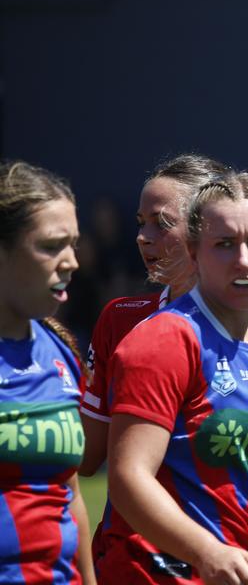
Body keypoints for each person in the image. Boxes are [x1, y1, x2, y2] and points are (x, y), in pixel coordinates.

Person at [79, 155, 248, 566]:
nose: (144, 237)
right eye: (141, 223)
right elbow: (95, 459)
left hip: (225, 562)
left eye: (161, 222)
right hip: (143, 562)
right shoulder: (130, 323)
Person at [0, 161, 96, 585]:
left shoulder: (60, 347)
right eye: (52, 246)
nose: (71, 261)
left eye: (73, 244)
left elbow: (70, 495)